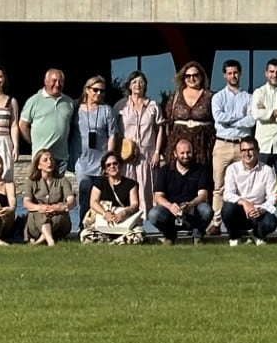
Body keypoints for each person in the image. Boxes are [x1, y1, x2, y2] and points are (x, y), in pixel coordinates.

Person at [71, 76, 121, 224]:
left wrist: (109, 159)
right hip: (82, 161)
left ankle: (100, 226)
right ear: (87, 90)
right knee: (85, 189)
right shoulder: (76, 108)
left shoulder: (106, 110)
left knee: (100, 196)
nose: (98, 93)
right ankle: (83, 224)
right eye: (95, 90)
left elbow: (112, 134)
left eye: (102, 91)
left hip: (100, 162)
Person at [149, 135, 212, 244]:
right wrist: (170, 206)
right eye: (182, 153)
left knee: (206, 210)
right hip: (171, 211)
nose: (186, 156)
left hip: (191, 209)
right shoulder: (165, 170)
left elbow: (203, 195)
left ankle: (197, 236)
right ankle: (169, 236)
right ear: (175, 154)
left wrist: (191, 204)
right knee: (153, 214)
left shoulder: (201, 169)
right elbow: (158, 196)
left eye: (188, 152)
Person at [16, 68, 77, 178]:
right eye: (54, 80)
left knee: (58, 192)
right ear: (46, 81)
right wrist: (33, 142)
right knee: (40, 192)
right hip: (41, 158)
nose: (57, 84)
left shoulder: (69, 102)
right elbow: (22, 125)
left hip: (60, 158)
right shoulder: (34, 100)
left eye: (60, 81)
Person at [116, 70, 164, 207]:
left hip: (147, 154)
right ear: (129, 85)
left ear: (146, 85)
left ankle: (145, 220)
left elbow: (160, 129)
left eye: (141, 82)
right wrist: (122, 146)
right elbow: (114, 128)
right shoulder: (121, 106)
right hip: (126, 155)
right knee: (127, 187)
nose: (138, 85)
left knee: (146, 188)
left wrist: (157, 152)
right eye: (134, 82)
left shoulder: (153, 106)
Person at [220, 137, 277, 245]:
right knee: (227, 209)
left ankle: (257, 235)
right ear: (240, 152)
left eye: (250, 150)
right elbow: (227, 194)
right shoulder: (232, 169)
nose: (247, 154)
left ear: (258, 150)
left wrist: (262, 209)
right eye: (244, 150)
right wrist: (244, 202)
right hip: (240, 210)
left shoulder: (267, 170)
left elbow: (273, 197)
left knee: (271, 222)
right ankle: (234, 237)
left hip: (258, 211)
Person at [211, 59, 256, 191]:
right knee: (219, 185)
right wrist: (240, 117)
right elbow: (218, 117)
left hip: (242, 146)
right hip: (222, 145)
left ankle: (240, 212)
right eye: (229, 73)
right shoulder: (218, 97)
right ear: (225, 75)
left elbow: (251, 120)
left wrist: (229, 120)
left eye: (235, 73)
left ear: (240, 74)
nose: (233, 76)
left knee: (243, 185)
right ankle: (218, 212)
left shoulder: (249, 97)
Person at [163, 62, 215, 173]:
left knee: (201, 176)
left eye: (195, 75)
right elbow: (167, 121)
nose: (192, 78)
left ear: (201, 77)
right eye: (188, 76)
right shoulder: (175, 96)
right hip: (177, 141)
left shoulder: (210, 96)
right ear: (183, 78)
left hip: (203, 143)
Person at [82, 152, 145, 243]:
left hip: (125, 222)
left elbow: (135, 204)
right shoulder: (99, 182)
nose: (112, 166)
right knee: (86, 236)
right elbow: (93, 202)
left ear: (121, 165)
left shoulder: (131, 184)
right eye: (108, 165)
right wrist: (105, 213)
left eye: (115, 163)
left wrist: (124, 213)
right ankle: (116, 241)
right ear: (105, 170)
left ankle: (115, 241)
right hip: (104, 222)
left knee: (139, 235)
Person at [22, 149, 75, 247]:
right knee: (38, 213)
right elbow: (26, 203)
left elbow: (71, 201)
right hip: (37, 223)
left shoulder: (62, 180)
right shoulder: (31, 182)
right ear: (39, 165)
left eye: (51, 159)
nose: (49, 162)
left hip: (58, 221)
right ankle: (50, 241)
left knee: (60, 214)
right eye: (45, 160)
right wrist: (40, 208)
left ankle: (42, 239)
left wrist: (61, 207)